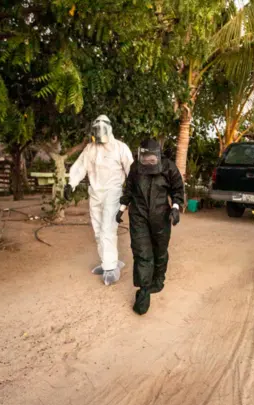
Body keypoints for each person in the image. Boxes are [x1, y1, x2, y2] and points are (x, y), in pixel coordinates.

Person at [116, 138, 185, 315]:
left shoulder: (169, 167)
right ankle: (144, 291)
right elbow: (129, 189)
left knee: (160, 250)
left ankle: (158, 279)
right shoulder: (135, 168)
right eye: (145, 158)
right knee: (142, 253)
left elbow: (177, 189)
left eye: (151, 159)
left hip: (161, 216)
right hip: (138, 215)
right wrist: (122, 208)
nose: (148, 162)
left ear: (158, 156)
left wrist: (176, 208)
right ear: (140, 155)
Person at [64, 115, 133, 285]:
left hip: (113, 193)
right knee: (97, 230)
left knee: (107, 230)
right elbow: (80, 167)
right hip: (94, 193)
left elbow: (132, 170)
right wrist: (71, 184)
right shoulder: (90, 148)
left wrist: (133, 192)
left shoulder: (120, 148)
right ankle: (108, 261)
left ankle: (110, 268)